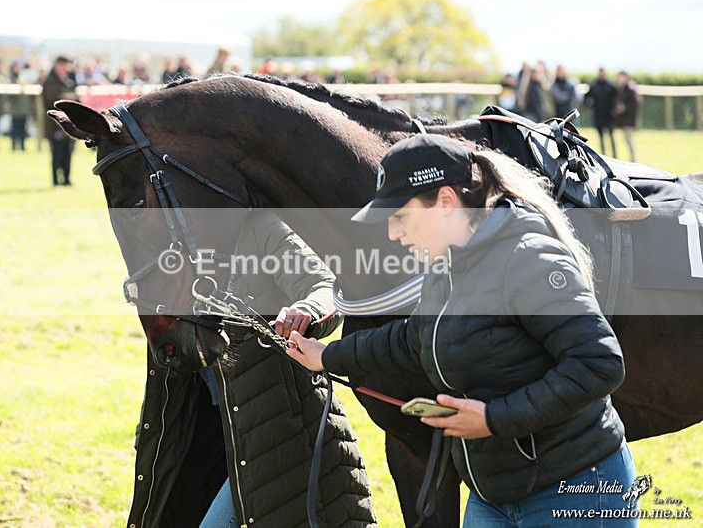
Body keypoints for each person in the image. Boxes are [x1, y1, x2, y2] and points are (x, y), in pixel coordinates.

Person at [288, 134, 636, 527]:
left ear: (445, 201)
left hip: (574, 490)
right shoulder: (445, 266)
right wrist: (327, 356)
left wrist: (494, 418)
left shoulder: (527, 258)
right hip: (492, 496)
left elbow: (599, 364)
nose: (393, 234)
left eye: (400, 217)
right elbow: (413, 339)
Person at [128, 209, 376, 527]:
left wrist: (306, 311)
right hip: (205, 444)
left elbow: (325, 287)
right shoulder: (169, 244)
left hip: (276, 436)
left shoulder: (260, 227)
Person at [40, 55, 78, 186]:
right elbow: (52, 103)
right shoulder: (49, 82)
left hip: (69, 123)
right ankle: (56, 180)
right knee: (56, 154)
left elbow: (76, 100)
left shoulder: (67, 82)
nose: (66, 69)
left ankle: (66, 179)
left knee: (68, 153)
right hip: (54, 125)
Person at [584, 67, 618, 157]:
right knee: (601, 137)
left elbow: (617, 97)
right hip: (598, 115)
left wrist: (615, 109)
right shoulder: (594, 85)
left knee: (611, 136)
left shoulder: (611, 85)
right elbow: (586, 97)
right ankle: (604, 155)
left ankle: (614, 156)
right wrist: (590, 106)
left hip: (609, 115)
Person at [614, 70, 641, 162]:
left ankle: (633, 160)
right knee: (626, 140)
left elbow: (636, 103)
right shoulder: (621, 88)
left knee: (629, 140)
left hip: (629, 120)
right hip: (624, 120)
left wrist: (624, 107)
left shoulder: (630, 88)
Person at [8, 61, 31, 151]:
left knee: (23, 128)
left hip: (23, 108)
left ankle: (22, 146)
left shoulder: (22, 77)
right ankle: (14, 146)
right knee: (15, 128)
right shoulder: (10, 78)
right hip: (15, 109)